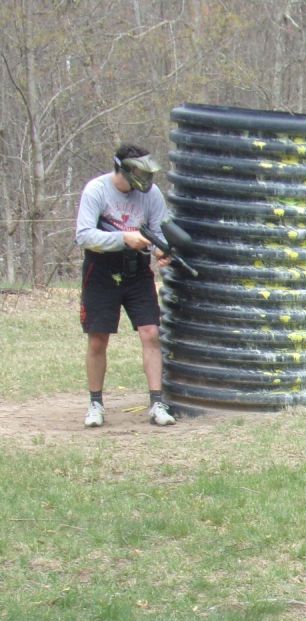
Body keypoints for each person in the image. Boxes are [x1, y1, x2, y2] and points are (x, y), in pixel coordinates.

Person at [75, 143, 175, 427]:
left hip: (137, 271)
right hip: (100, 271)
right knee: (98, 338)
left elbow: (158, 232)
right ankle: (95, 403)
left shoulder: (151, 195)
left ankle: (157, 403)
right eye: (139, 173)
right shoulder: (96, 190)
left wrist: (161, 250)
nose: (145, 180)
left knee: (151, 332)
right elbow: (84, 236)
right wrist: (123, 239)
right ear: (124, 169)